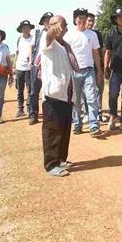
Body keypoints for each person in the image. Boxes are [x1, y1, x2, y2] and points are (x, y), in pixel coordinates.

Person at [40, 15, 78, 177]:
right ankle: (51, 164)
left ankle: (61, 159)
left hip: (66, 95)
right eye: (53, 24)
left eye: (60, 25)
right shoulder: (48, 41)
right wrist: (50, 32)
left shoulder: (65, 46)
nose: (57, 27)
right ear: (48, 26)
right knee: (52, 131)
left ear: (66, 28)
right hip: (53, 96)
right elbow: (49, 37)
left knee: (64, 130)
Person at [63, 7, 103, 137]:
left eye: (84, 18)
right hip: (73, 71)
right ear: (75, 19)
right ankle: (77, 124)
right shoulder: (68, 35)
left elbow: (96, 54)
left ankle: (93, 125)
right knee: (76, 100)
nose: (82, 20)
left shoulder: (92, 34)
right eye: (80, 18)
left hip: (89, 70)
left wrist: (99, 71)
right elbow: (65, 55)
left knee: (91, 98)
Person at [104, 6, 122, 132]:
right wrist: (105, 67)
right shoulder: (111, 33)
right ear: (115, 20)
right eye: (119, 17)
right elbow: (107, 52)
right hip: (115, 70)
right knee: (113, 95)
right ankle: (112, 116)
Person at [28, 12, 53, 125]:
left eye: (50, 20)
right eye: (46, 20)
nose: (48, 22)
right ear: (43, 22)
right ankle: (33, 114)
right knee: (34, 91)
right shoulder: (37, 33)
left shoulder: (56, 34)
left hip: (50, 66)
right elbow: (32, 47)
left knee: (50, 91)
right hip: (37, 65)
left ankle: (49, 115)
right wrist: (30, 60)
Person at [86, 12, 106, 123]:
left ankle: (99, 112)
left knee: (98, 89)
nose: (91, 23)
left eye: (93, 21)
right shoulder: (81, 34)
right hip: (85, 67)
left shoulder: (96, 34)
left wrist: (101, 67)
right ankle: (86, 113)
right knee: (86, 91)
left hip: (96, 66)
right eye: (89, 20)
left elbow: (100, 50)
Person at [14, 19, 35, 118]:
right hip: (19, 67)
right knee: (19, 89)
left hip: (29, 68)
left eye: (28, 28)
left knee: (30, 89)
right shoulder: (19, 39)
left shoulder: (34, 39)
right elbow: (17, 53)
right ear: (21, 29)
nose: (26, 30)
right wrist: (14, 66)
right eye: (24, 28)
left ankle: (29, 108)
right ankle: (20, 109)